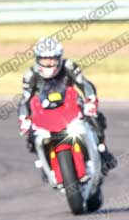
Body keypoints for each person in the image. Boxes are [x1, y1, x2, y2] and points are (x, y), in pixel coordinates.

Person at [18, 36, 117, 176]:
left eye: (52, 59)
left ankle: (102, 149)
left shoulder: (69, 66)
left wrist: (90, 101)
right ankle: (44, 162)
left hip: (70, 106)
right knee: (31, 136)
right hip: (46, 112)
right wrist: (24, 118)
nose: (48, 63)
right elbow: (24, 100)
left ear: (59, 58)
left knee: (95, 117)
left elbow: (84, 84)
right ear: (38, 59)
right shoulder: (30, 75)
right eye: (44, 59)